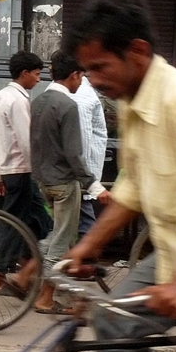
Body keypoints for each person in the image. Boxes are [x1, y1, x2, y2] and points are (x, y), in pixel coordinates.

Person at [63, 0, 176, 352]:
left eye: (100, 68)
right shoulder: (133, 103)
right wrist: (86, 246)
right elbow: (132, 187)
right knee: (112, 323)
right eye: (87, 71)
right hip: (173, 252)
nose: (95, 82)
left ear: (136, 51)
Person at [29, 50, 94, 314]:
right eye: (82, 77)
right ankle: (45, 297)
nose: (82, 83)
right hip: (65, 183)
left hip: (44, 180)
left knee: (58, 236)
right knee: (62, 239)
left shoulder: (39, 101)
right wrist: (91, 182)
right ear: (74, 75)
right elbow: (74, 153)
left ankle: (55, 293)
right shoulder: (68, 106)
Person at [0, 50, 51, 299]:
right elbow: (26, 141)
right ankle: (0, 277)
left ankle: (27, 272)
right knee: (13, 223)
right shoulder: (19, 100)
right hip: (22, 169)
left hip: (10, 169)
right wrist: (41, 171)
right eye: (36, 74)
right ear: (24, 74)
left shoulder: (0, 96)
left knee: (40, 223)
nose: (38, 80)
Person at [72, 75, 111, 234]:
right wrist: (87, 179)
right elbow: (81, 141)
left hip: (73, 172)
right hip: (78, 172)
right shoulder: (82, 95)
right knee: (84, 221)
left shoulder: (81, 92)